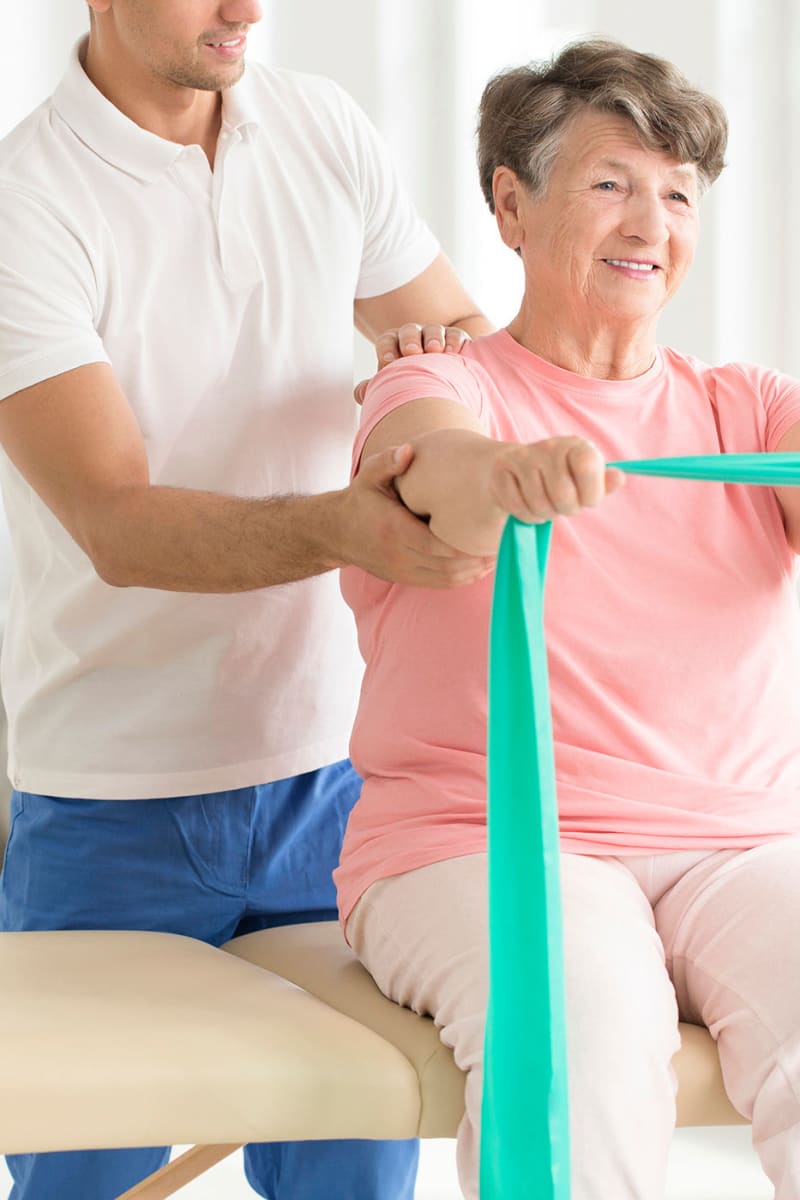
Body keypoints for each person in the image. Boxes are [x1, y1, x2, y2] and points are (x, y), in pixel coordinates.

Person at [0, 2, 496, 1198]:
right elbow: (117, 522)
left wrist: (434, 371)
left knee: (355, 1177)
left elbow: (467, 344)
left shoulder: (320, 125)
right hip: (113, 802)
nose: (246, 9)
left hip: (337, 782)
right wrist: (348, 527)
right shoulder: (26, 200)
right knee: (84, 1178)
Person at [335, 36, 800, 1200]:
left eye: (676, 194)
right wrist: (500, 478)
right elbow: (427, 476)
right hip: (482, 838)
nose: (649, 222)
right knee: (581, 1031)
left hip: (738, 845)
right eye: (609, 184)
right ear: (508, 204)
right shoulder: (441, 384)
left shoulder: (742, 412)